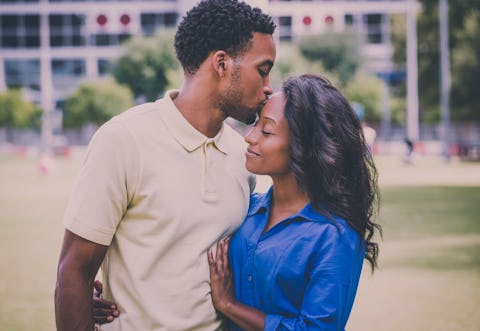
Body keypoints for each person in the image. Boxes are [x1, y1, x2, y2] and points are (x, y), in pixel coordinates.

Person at [54, 0, 276, 330]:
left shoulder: (243, 156)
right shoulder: (123, 139)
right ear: (221, 64)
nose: (269, 85)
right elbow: (74, 271)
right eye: (263, 69)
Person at [96, 74, 381, 330]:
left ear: (306, 149)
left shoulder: (335, 235)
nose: (249, 137)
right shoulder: (245, 209)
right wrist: (101, 290)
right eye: (256, 124)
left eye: (266, 131)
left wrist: (231, 306)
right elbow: (177, 249)